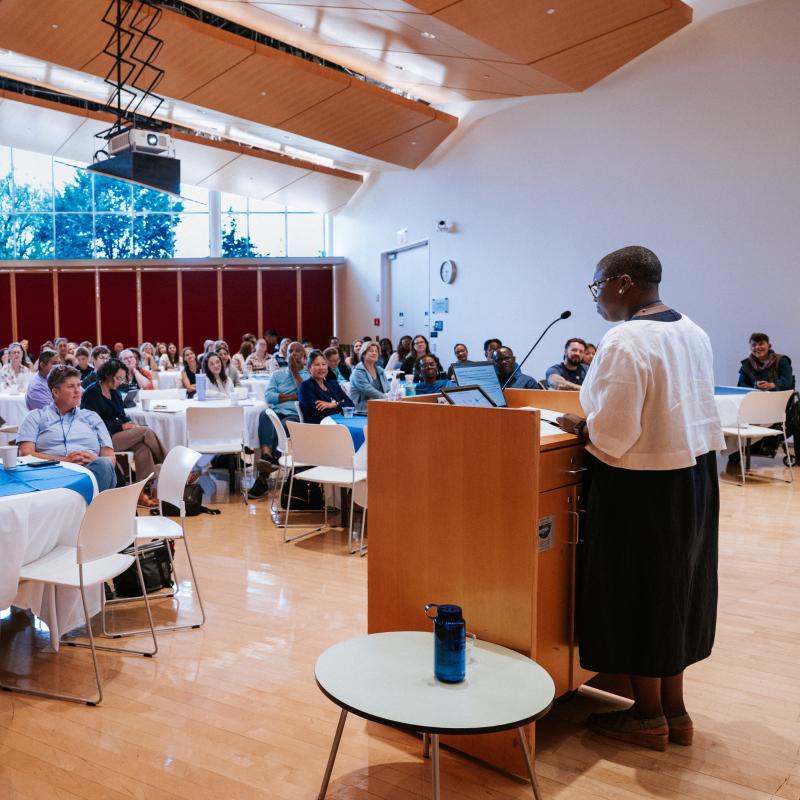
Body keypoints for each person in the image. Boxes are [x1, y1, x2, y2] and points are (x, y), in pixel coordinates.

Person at [556, 245, 724, 752]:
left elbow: (615, 432)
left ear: (622, 282)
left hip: (642, 482)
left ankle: (647, 716)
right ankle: (675, 711)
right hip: (694, 476)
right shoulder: (693, 330)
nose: (596, 300)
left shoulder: (625, 339)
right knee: (677, 589)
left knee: (638, 591)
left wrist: (579, 426)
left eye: (597, 287)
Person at [81, 359, 166, 507]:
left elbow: (122, 415)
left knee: (142, 448)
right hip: (101, 439)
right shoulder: (91, 393)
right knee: (145, 431)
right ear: (108, 375)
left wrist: (129, 424)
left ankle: (140, 494)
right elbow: (94, 424)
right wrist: (122, 427)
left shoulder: (114, 393)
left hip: (115, 434)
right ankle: (168, 464)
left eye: (122, 378)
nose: (121, 381)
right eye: (118, 378)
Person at [17, 366, 117, 492]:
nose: (78, 391)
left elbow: (110, 458)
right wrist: (65, 460)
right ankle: (88, 507)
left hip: (90, 473)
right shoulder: (35, 417)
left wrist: (93, 459)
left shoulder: (92, 417)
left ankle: (84, 505)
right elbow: (26, 454)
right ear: (56, 392)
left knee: (103, 464)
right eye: (71, 387)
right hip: (51, 474)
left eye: (79, 385)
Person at [249, 342, 309, 499]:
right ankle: (267, 456)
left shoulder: (308, 375)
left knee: (282, 426)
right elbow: (269, 397)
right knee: (264, 415)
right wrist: (292, 396)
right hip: (277, 411)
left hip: (295, 414)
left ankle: (263, 475)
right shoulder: (278, 375)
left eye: (297, 351)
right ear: (285, 354)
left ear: (304, 357)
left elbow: (306, 396)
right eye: (291, 351)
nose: (294, 354)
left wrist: (296, 374)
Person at [298, 350, 354, 424]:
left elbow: (350, 405)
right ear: (309, 368)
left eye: (324, 364)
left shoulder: (333, 384)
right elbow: (319, 412)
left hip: (339, 424)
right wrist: (340, 403)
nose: (321, 368)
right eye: (317, 365)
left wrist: (333, 405)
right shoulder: (305, 387)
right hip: (319, 428)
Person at [349, 341, 389, 412]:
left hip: (379, 403)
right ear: (363, 354)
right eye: (371, 351)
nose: (374, 353)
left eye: (376, 351)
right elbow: (369, 390)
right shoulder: (358, 372)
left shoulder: (380, 371)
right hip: (360, 407)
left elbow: (388, 389)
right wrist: (387, 398)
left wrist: (392, 396)